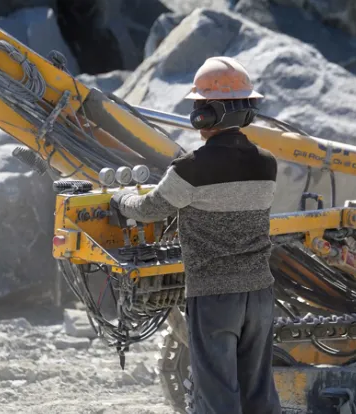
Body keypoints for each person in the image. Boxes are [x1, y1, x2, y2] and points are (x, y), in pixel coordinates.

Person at [110, 56, 282, 414]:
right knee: (259, 393)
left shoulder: (191, 167)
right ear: (248, 112)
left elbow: (149, 209)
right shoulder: (267, 162)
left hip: (215, 294)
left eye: (200, 107)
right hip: (261, 292)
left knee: (217, 395)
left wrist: (120, 198)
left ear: (207, 116)